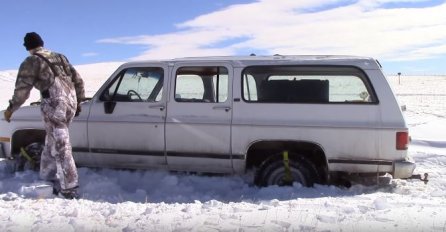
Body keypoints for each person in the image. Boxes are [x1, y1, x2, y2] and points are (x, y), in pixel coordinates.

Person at [3, 32, 85, 199]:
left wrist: (11, 108)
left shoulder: (32, 61)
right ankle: (46, 177)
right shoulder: (60, 57)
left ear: (28, 47)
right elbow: (78, 80)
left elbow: (22, 90)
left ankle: (69, 189)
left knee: (62, 145)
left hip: (55, 105)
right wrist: (79, 102)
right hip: (71, 102)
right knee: (51, 141)